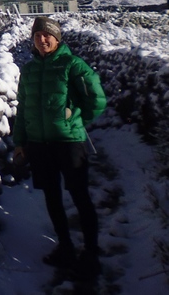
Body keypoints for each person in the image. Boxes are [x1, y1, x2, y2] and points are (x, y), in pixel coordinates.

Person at [13, 16, 107, 275]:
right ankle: (65, 247)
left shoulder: (72, 65)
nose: (42, 40)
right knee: (52, 197)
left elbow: (96, 99)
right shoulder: (29, 71)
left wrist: (76, 120)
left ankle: (90, 252)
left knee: (80, 196)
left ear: (57, 38)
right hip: (39, 145)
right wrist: (20, 142)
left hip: (69, 143)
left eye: (47, 35)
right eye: (37, 36)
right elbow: (23, 109)